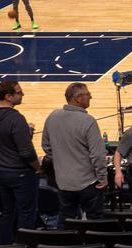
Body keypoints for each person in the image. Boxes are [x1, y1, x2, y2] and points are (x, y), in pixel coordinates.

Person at [0, 79, 39, 243]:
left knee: (8, 212)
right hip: (20, 174)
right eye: (19, 92)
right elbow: (26, 153)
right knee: (27, 214)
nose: (23, 94)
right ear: (8, 96)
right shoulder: (16, 118)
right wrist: (38, 168)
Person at [41, 83, 106, 219]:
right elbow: (98, 155)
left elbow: (46, 147)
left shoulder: (52, 117)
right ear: (77, 98)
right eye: (88, 94)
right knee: (95, 222)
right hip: (87, 183)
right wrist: (102, 178)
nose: (91, 97)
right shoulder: (88, 121)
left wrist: (62, 162)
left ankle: (68, 240)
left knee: (66, 222)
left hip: (63, 183)